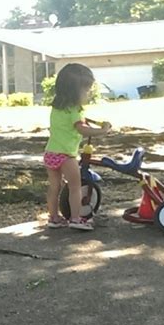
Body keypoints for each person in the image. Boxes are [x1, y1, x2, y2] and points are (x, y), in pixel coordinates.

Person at [44, 63, 111, 231]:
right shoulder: (74, 109)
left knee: (54, 188)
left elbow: (73, 122)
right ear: (75, 91)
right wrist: (101, 131)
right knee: (75, 187)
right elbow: (80, 128)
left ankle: (53, 218)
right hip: (66, 155)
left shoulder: (57, 108)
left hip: (50, 153)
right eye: (86, 91)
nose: (88, 94)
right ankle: (75, 218)